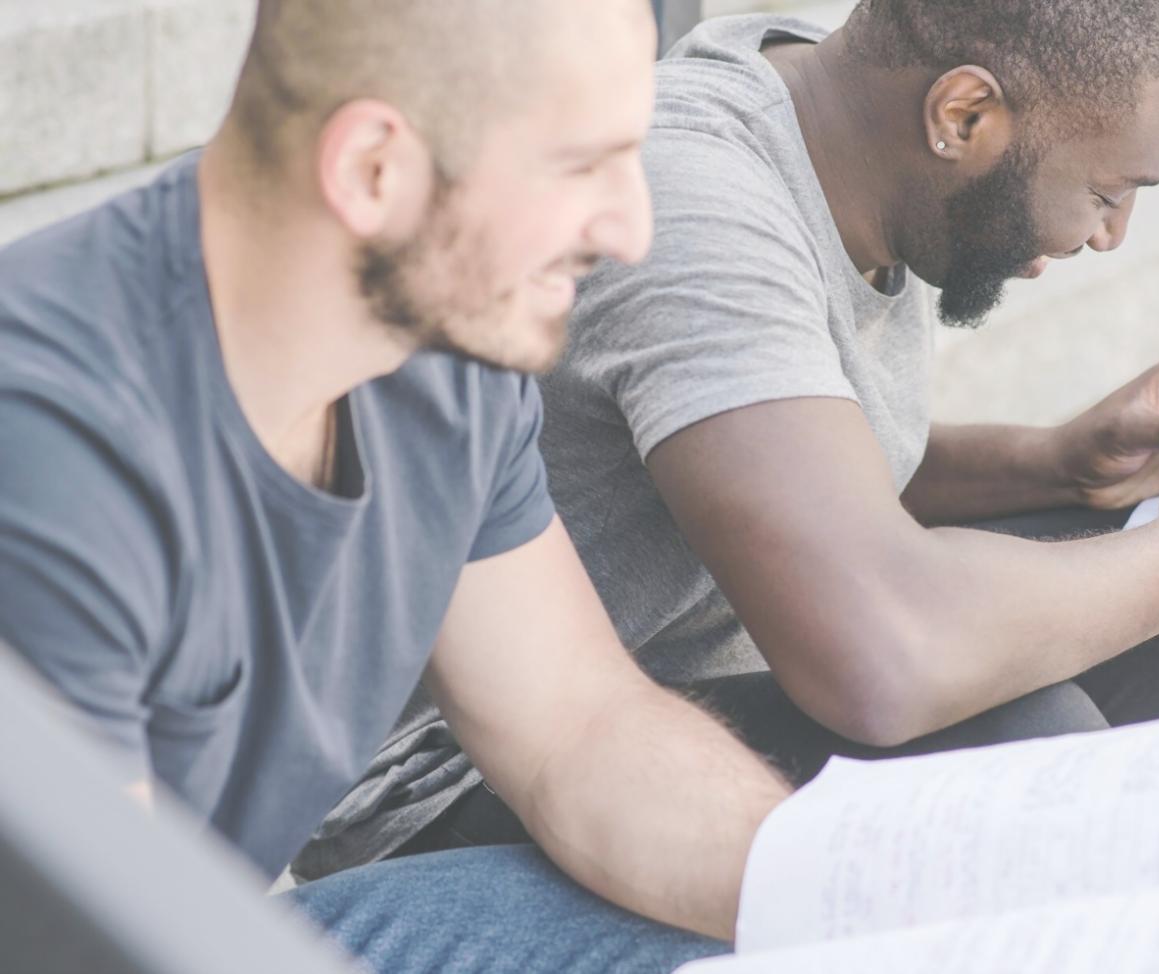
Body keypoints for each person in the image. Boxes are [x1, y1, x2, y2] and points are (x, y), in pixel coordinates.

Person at [312, 2, 1159, 972]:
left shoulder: (850, 125)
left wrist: (1053, 460)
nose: (1108, 235)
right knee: (1006, 748)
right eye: (1105, 192)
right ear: (963, 117)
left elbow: (801, 452)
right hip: (479, 779)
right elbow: (876, 652)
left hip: (690, 701)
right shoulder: (696, 205)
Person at [0, 1, 789, 971]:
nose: (631, 228)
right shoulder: (50, 452)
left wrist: (855, 888)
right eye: (582, 165)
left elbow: (578, 731)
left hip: (190, 925)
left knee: (756, 929)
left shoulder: (445, 356)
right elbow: (91, 939)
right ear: (373, 169)